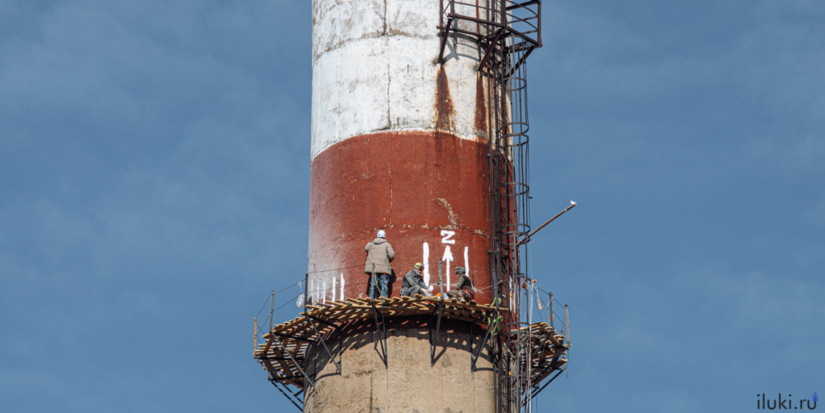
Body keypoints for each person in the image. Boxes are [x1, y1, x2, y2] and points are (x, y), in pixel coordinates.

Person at [364, 230, 395, 299]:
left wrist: (369, 243)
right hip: (384, 269)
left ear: (377, 235)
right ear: (384, 236)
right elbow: (392, 254)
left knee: (373, 285)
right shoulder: (387, 245)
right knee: (384, 285)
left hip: (373, 268)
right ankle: (383, 299)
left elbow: (366, 248)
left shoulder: (371, 244)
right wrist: (388, 261)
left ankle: (372, 298)